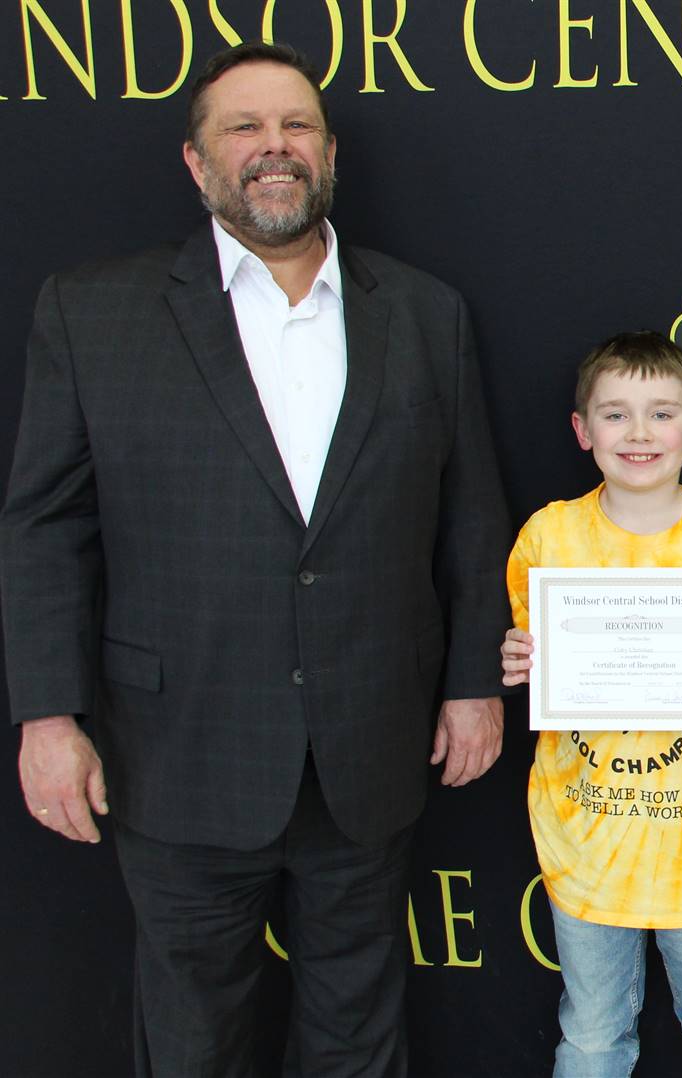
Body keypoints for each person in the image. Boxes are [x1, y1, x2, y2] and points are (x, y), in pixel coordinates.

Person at [0, 41, 511, 1075]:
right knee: (191, 1036)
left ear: (330, 155)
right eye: (244, 127)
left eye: (296, 126)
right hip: (176, 750)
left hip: (369, 746)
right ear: (198, 164)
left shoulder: (423, 312)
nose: (273, 146)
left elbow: (467, 517)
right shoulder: (91, 311)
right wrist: (48, 715)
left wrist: (471, 685)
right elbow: (46, 527)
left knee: (358, 1027)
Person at [499, 331, 682, 1077]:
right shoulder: (548, 538)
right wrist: (518, 656)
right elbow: (533, 658)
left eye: (662, 415)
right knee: (593, 1036)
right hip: (584, 840)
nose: (638, 435)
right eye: (616, 415)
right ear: (582, 429)